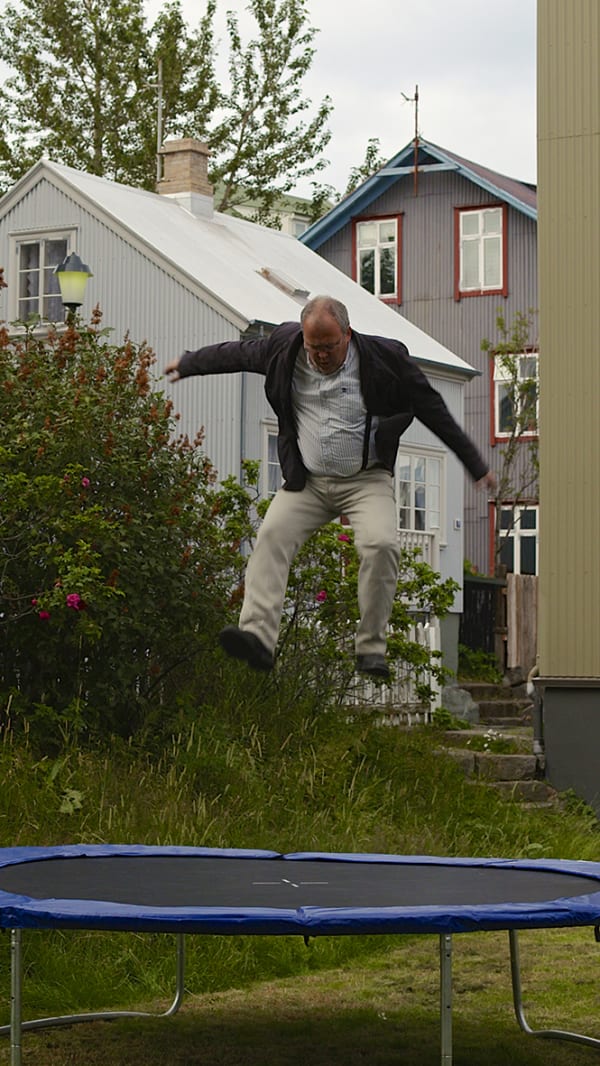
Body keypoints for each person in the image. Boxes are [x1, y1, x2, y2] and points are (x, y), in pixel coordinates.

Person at [164, 295, 495, 679]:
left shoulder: (385, 360)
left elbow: (434, 409)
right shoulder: (284, 350)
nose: (320, 356)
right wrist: (189, 363)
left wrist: (474, 464)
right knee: (271, 536)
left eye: (329, 347)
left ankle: (371, 646)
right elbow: (234, 354)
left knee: (381, 544)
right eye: (313, 347)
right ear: (303, 338)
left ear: (348, 335)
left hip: (366, 479)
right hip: (310, 481)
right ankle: (258, 637)